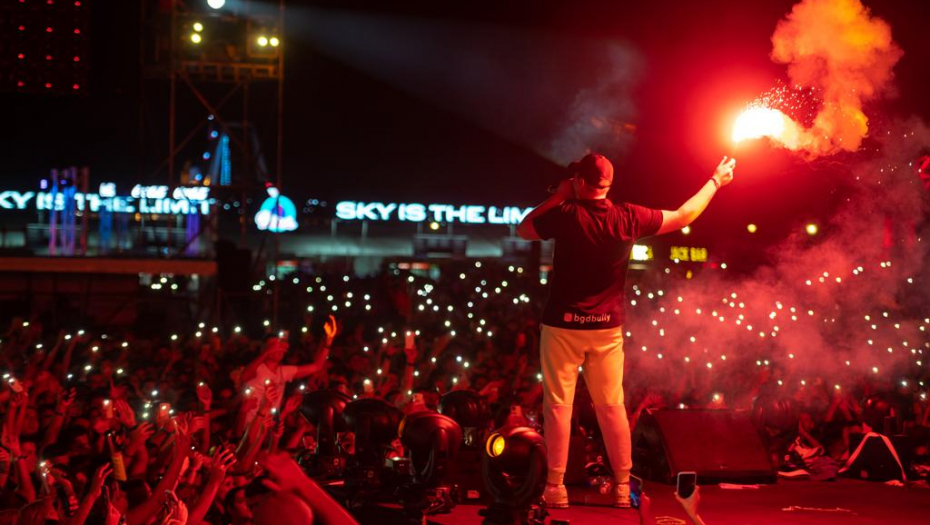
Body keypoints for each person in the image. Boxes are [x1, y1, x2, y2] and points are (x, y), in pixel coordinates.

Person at [517, 153, 736, 508]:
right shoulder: (628, 216)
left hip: (562, 325)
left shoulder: (566, 214)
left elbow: (524, 228)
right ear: (608, 183)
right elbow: (684, 215)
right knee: (612, 405)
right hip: (607, 328)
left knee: (558, 406)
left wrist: (558, 196)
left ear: (580, 182)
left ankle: (555, 487)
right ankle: (623, 487)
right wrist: (715, 181)